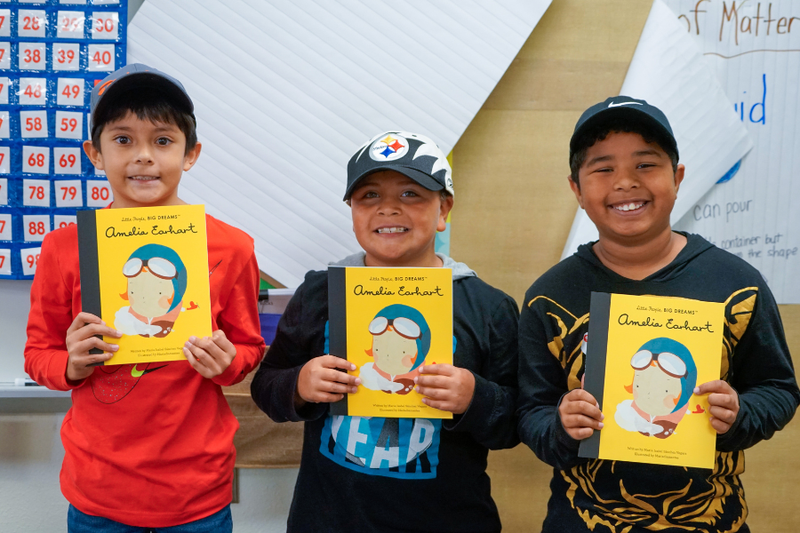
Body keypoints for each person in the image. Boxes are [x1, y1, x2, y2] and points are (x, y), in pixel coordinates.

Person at [517, 96, 800, 532]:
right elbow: (529, 411)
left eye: (646, 165)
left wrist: (740, 413)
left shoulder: (735, 283)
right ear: (576, 188)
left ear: (678, 176)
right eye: (603, 168)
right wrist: (558, 424)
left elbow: (779, 389)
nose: (625, 182)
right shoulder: (548, 297)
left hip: (710, 521)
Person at [24, 64, 265, 532]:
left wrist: (228, 363)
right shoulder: (63, 248)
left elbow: (249, 349)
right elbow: (38, 355)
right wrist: (71, 364)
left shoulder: (233, 247)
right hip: (99, 493)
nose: (142, 157)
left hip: (196, 493)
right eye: (122, 140)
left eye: (162, 140)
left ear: (190, 154)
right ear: (94, 153)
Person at [251, 131, 519, 532]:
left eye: (411, 194)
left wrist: (474, 396)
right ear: (352, 210)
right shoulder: (319, 293)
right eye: (369, 196)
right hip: (329, 520)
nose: (388, 209)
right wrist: (299, 385)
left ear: (444, 208)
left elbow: (519, 420)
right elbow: (266, 386)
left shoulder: (487, 307)